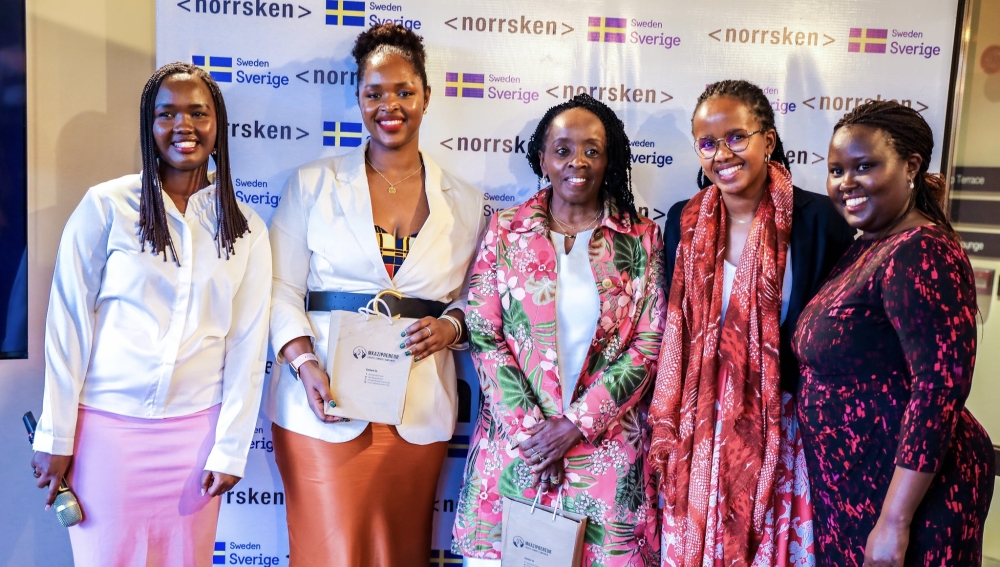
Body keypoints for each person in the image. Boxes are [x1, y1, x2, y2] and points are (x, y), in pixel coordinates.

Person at [29, 62, 271, 567]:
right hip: (106, 436)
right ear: (149, 124)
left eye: (198, 113)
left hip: (195, 442)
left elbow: (248, 347)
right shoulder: (106, 206)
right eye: (167, 114)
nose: (184, 125)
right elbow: (67, 325)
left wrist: (230, 448)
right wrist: (56, 434)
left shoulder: (246, 227)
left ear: (218, 124)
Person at [265, 23, 485, 567]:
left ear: (426, 96)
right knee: (328, 553)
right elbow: (280, 288)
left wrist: (451, 326)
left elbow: (478, 298)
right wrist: (304, 364)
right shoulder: (311, 184)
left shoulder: (466, 201)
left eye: (404, 91)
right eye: (375, 93)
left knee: (397, 553)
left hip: (418, 408)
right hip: (323, 402)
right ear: (358, 99)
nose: (390, 105)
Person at [452, 93, 666, 566]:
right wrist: (535, 436)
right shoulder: (506, 231)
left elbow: (648, 345)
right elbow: (484, 333)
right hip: (517, 453)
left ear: (609, 159)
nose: (578, 162)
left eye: (593, 150)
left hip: (604, 460)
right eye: (563, 149)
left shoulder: (641, 239)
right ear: (542, 157)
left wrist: (573, 426)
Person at [649, 79, 855, 567]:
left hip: (782, 430)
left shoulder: (818, 220)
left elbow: (834, 338)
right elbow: (676, 332)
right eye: (707, 143)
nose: (722, 154)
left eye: (736, 137)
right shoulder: (683, 222)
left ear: (768, 139)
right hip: (697, 430)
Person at [792, 100, 995, 567]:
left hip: (910, 499)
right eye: (837, 170)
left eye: (865, 166)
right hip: (858, 488)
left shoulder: (922, 251)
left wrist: (894, 521)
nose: (847, 182)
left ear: (911, 167)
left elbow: (939, 389)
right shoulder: (869, 245)